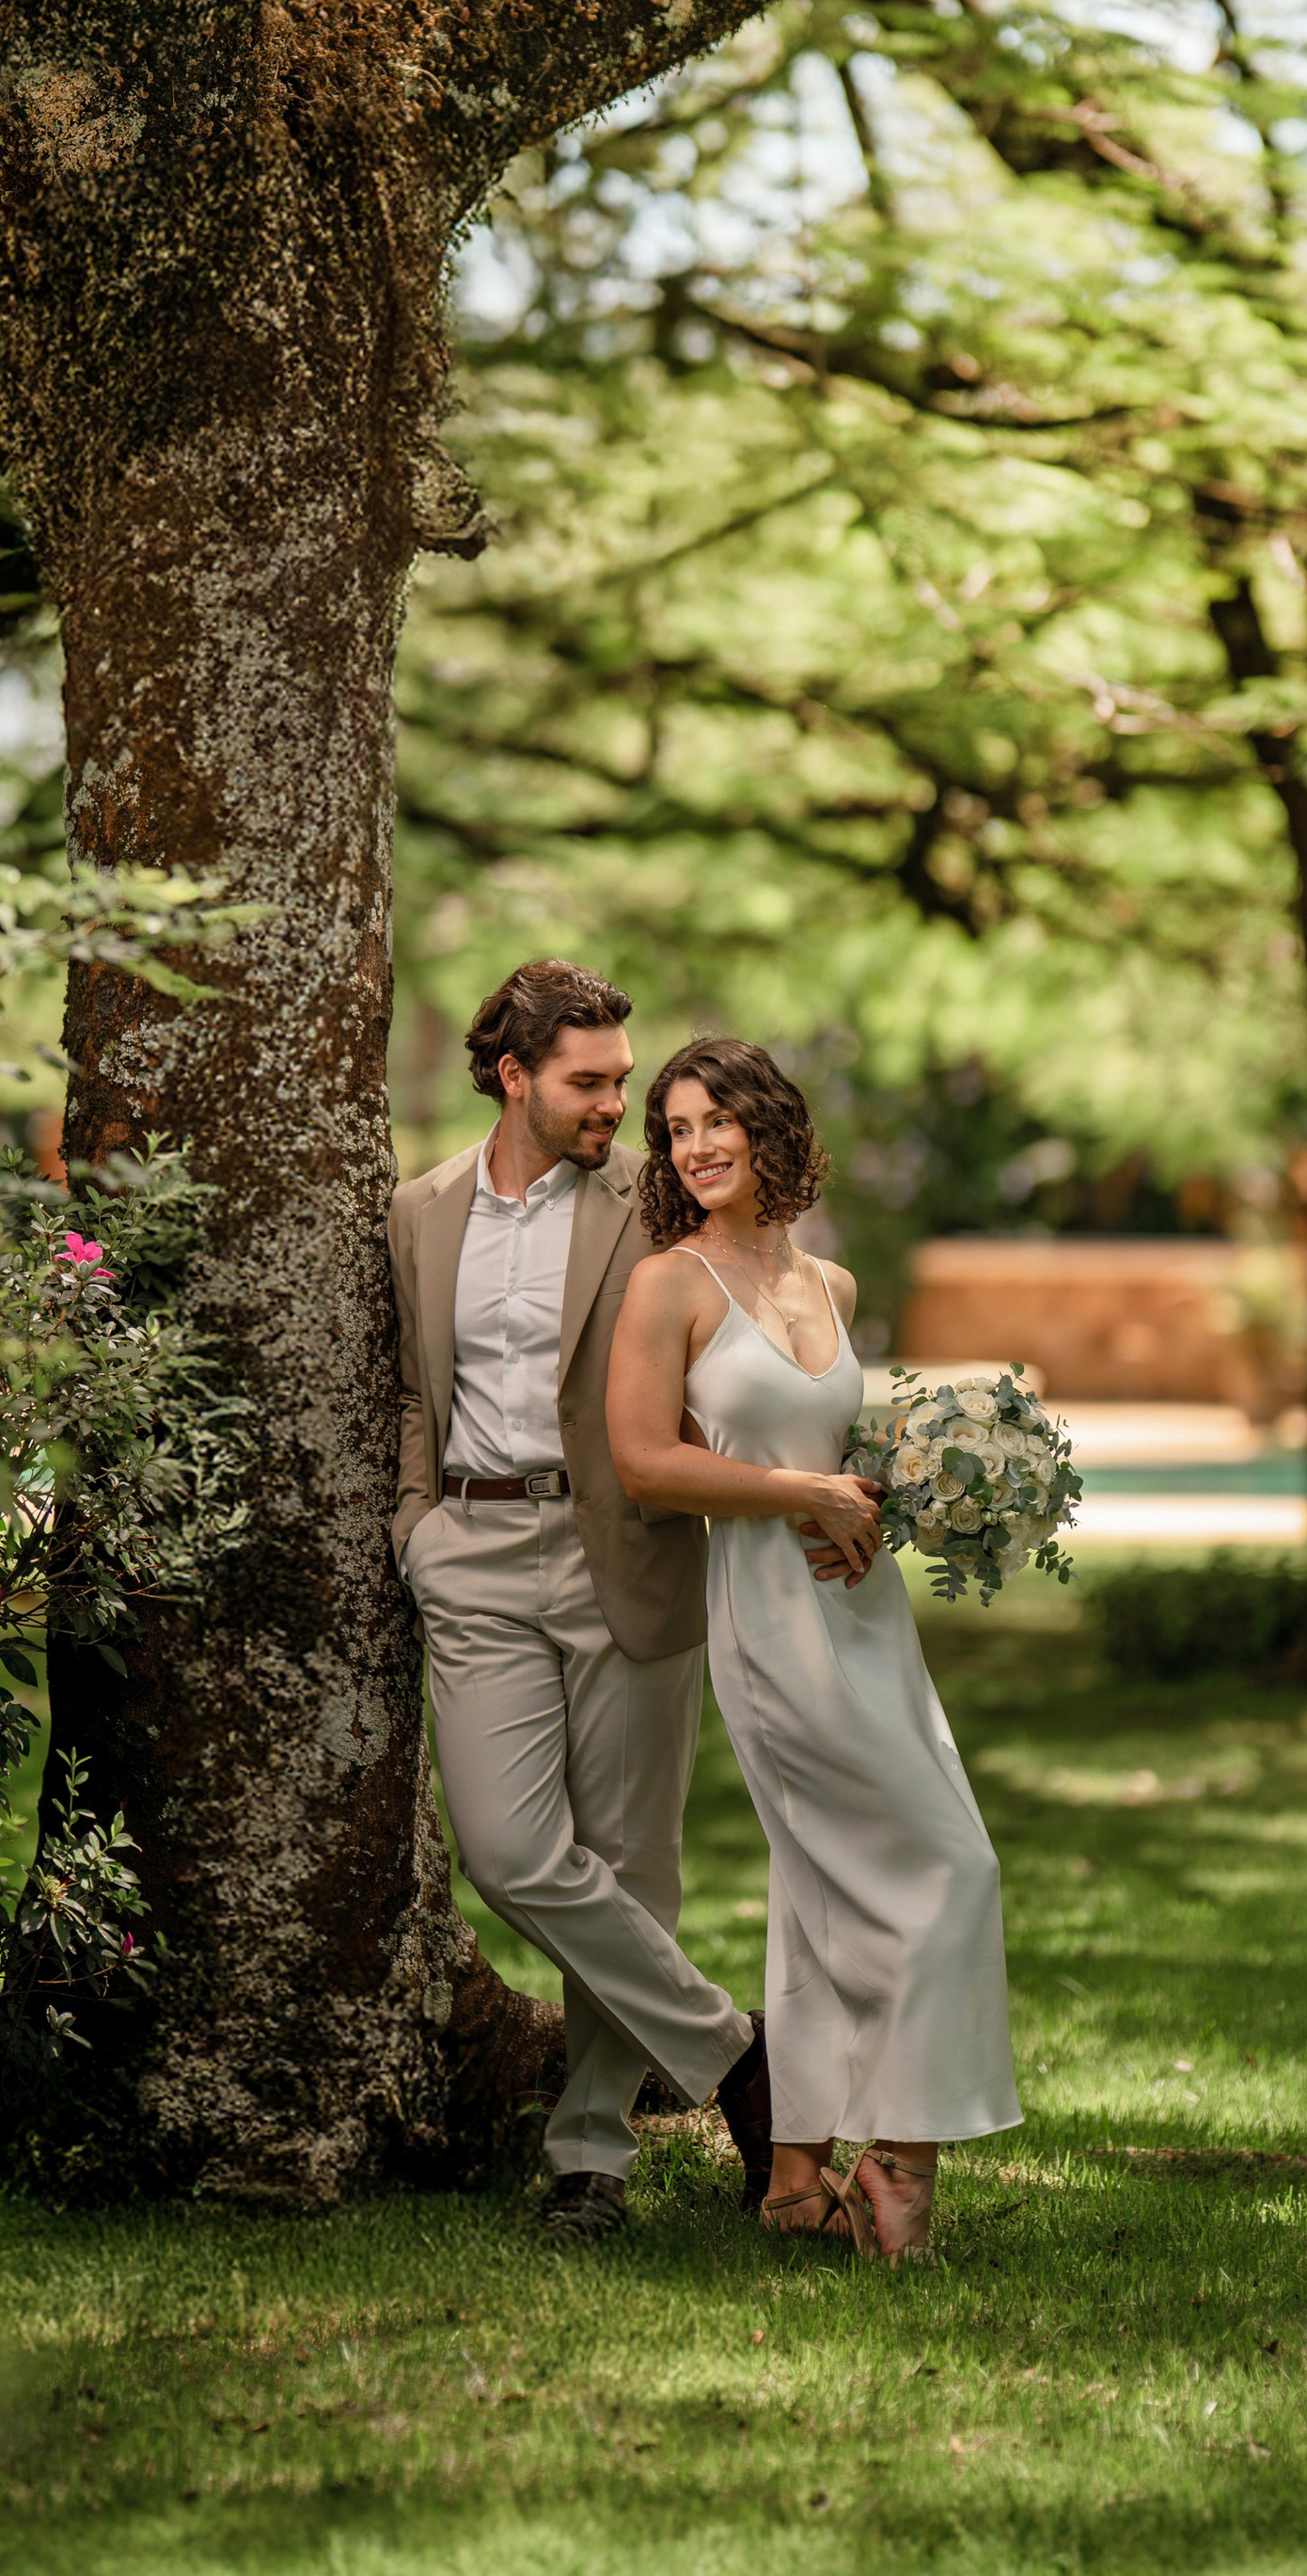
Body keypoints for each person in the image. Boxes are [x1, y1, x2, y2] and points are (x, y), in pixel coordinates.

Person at [606, 1035, 1021, 2262]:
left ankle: (796, 2178)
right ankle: (902, 2158)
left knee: (823, 1889)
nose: (696, 1147)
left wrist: (874, 1510)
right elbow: (644, 1461)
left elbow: (852, 1459)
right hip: (767, 1618)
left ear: (769, 1124)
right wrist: (799, 1494)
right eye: (675, 1130)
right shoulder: (668, 1286)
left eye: (715, 1120)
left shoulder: (828, 1286)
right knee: (953, 1868)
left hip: (863, 1612)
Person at [387, 961, 773, 2244]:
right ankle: (740, 2063)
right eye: (590, 1081)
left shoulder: (654, 1208)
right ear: (513, 1076)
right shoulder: (419, 1210)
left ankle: (590, 2161)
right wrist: (414, 1526)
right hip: (473, 1550)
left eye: (623, 1077)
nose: (621, 1101)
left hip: (630, 1547)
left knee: (628, 1864)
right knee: (508, 1852)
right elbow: (409, 1385)